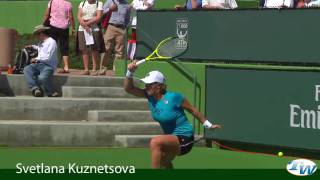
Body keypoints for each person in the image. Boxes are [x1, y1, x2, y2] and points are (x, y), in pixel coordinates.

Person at [124, 61, 222, 169]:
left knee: (155, 142)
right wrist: (130, 72)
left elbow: (193, 110)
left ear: (159, 86)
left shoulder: (174, 97)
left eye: (150, 84)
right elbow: (129, 89)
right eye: (146, 83)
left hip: (185, 139)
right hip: (171, 139)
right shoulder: (149, 96)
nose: (146, 86)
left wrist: (208, 125)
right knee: (163, 163)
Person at [23, 25, 58, 97]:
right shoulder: (41, 42)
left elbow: (48, 57)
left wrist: (36, 59)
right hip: (39, 64)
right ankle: (35, 89)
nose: (36, 36)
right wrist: (32, 46)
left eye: (37, 34)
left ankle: (50, 91)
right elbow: (40, 49)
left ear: (42, 34)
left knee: (42, 78)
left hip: (48, 66)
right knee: (27, 69)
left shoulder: (52, 42)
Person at [43, 0, 75, 74]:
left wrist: (43, 24)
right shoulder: (68, 3)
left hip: (53, 27)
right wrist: (73, 28)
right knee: (64, 47)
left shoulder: (51, 2)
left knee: (51, 46)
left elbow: (47, 15)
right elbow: (71, 17)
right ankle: (66, 67)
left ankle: (50, 66)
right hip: (64, 28)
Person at [100, 0, 131, 75]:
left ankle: (116, 70)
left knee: (119, 51)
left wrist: (126, 28)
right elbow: (101, 12)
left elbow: (127, 18)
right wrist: (109, 9)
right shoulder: (109, 1)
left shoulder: (126, 4)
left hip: (122, 29)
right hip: (111, 27)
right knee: (106, 48)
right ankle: (103, 69)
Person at [77, 0, 104, 76]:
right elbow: (79, 16)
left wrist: (88, 24)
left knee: (94, 49)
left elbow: (99, 17)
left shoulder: (99, 3)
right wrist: (85, 25)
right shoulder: (82, 3)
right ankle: (86, 69)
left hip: (94, 28)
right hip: (82, 28)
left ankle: (94, 69)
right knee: (84, 49)